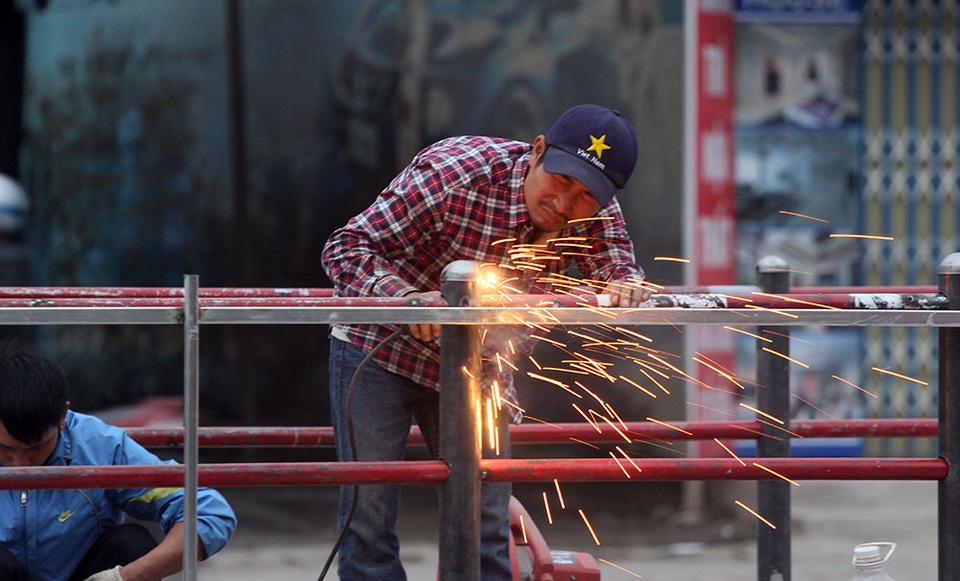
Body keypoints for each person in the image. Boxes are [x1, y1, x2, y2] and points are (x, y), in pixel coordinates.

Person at [321, 103, 650, 580]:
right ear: (537, 151)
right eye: (560, 182)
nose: (564, 205)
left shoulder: (595, 208)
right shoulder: (455, 174)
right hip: (381, 348)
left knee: (485, 519)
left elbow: (616, 265)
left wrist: (625, 282)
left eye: (584, 197)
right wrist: (405, 299)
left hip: (479, 366)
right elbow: (346, 246)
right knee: (368, 512)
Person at [0, 344, 237, 581]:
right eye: (5, 449)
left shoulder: (101, 447)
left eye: (36, 448)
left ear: (62, 416)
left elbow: (208, 511)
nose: (20, 464)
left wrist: (127, 576)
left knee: (130, 544)